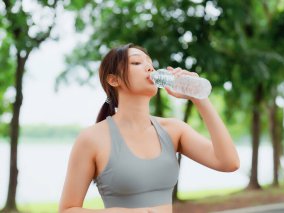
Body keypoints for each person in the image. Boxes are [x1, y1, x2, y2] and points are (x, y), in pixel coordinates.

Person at [59, 43, 240, 213]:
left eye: (150, 64)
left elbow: (229, 162)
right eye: (137, 62)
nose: (149, 68)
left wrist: (199, 98)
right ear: (113, 80)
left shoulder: (173, 129)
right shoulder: (91, 139)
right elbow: (67, 209)